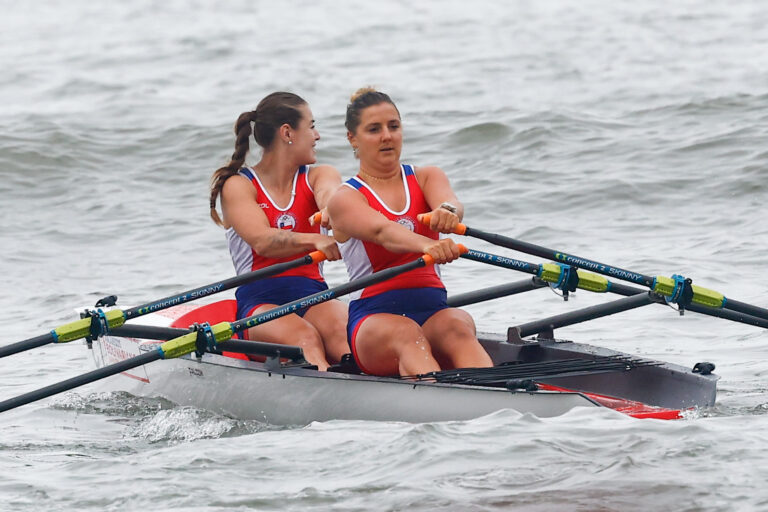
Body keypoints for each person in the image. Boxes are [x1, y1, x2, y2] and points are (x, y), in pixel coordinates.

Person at [327, 87, 493, 377]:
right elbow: (383, 232)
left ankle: (495, 399)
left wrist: (447, 213)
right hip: (373, 321)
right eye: (374, 129)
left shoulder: (427, 176)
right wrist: (426, 245)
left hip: (433, 312)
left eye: (393, 126)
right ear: (353, 139)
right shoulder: (345, 199)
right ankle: (438, 399)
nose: (387, 136)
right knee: (407, 333)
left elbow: (451, 203)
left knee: (457, 323)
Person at [209, 92, 348, 371]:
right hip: (260, 305)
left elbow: (329, 194)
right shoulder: (237, 185)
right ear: (288, 133)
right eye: (311, 126)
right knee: (304, 338)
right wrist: (316, 239)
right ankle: (328, 391)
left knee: (348, 337)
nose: (317, 135)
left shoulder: (319, 175)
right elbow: (263, 242)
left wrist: (333, 210)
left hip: (314, 295)